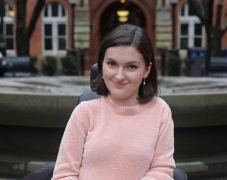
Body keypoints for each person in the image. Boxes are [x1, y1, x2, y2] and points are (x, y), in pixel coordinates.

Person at [52, 24, 175, 179]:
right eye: (111, 64)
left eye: (131, 66)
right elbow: (64, 174)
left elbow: (162, 170)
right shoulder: (84, 112)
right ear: (102, 65)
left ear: (147, 70)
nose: (119, 76)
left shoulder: (160, 111)